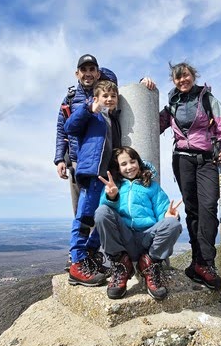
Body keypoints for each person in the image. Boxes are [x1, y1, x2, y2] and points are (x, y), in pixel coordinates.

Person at [158, 61, 221, 291]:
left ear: (193, 75)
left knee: (208, 207)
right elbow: (154, 125)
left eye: (186, 75)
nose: (182, 80)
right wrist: (145, 89)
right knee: (192, 210)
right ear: (173, 81)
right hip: (182, 160)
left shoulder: (208, 99)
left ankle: (205, 262)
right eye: (178, 77)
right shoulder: (172, 104)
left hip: (207, 159)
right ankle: (197, 263)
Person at [94, 147, 182, 301]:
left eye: (132, 161)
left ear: (139, 163)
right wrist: (112, 197)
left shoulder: (152, 186)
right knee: (101, 212)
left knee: (173, 224)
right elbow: (104, 216)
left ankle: (149, 264)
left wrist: (168, 216)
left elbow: (163, 209)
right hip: (124, 239)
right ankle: (121, 265)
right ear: (118, 167)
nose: (129, 167)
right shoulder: (114, 186)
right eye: (124, 164)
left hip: (147, 239)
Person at [63, 79, 121, 286]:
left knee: (102, 218)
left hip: (108, 176)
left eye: (113, 96)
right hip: (92, 173)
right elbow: (69, 127)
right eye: (105, 96)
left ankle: (89, 256)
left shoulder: (113, 118)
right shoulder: (92, 113)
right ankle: (77, 263)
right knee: (85, 217)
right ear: (96, 98)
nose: (110, 99)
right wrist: (89, 108)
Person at [54, 54, 119, 215]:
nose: (88, 73)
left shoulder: (106, 92)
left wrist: (144, 82)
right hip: (77, 161)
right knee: (80, 210)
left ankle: (98, 240)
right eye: (83, 70)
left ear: (98, 73)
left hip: (105, 160)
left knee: (104, 208)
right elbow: (62, 128)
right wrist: (60, 159)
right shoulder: (69, 99)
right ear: (77, 74)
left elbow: (113, 78)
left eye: (92, 69)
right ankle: (82, 239)